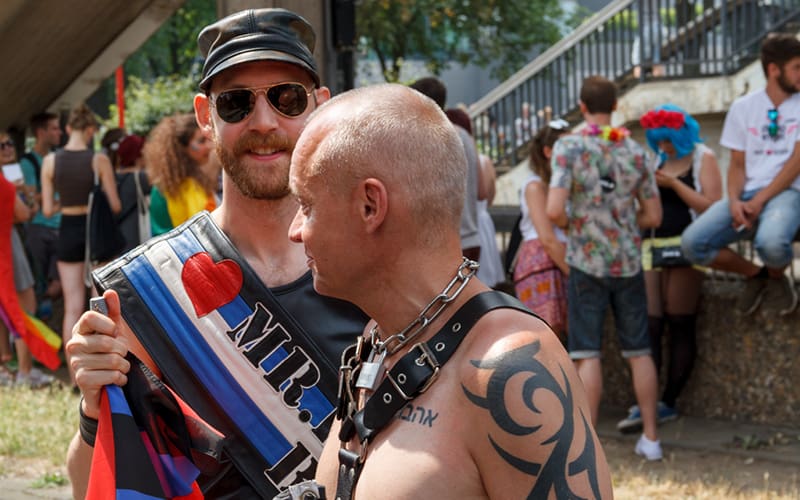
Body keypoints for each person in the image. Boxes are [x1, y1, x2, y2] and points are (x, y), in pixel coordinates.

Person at [65, 8, 367, 499]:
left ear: (319, 106)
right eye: (236, 103)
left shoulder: (371, 267)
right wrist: (93, 409)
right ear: (206, 115)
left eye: (288, 98)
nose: (263, 122)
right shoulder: (148, 294)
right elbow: (92, 487)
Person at [288, 83, 612, 499]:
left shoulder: (510, 368)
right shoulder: (379, 339)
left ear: (371, 206)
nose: (296, 230)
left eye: (307, 206)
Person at [546, 75, 664, 461]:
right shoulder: (635, 151)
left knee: (587, 353)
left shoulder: (569, 146)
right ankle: (651, 439)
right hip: (628, 261)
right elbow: (654, 216)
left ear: (582, 107)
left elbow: (553, 210)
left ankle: (588, 444)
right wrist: (623, 223)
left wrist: (577, 225)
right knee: (639, 351)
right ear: (615, 106)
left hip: (586, 261)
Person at [617, 104, 723, 433]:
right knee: (651, 323)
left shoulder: (704, 157)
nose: (664, 146)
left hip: (687, 246)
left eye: (668, 140)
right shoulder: (656, 160)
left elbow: (713, 208)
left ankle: (670, 400)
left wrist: (675, 185)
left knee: (680, 322)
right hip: (652, 246)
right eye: (658, 141)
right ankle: (648, 402)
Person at [681, 33, 800, 317]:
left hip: (789, 192)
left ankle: (775, 278)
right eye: (797, 67)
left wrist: (759, 201)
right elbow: (736, 164)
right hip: (747, 195)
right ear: (774, 69)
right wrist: (734, 200)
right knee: (693, 244)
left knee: (771, 244)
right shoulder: (743, 107)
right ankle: (760, 276)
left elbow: (796, 163)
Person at [40, 103, 121, 383]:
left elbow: (47, 210)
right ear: (90, 130)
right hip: (94, 232)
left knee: (72, 305)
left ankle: (75, 376)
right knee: (98, 301)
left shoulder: (51, 162)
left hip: (67, 230)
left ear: (67, 128)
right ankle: (102, 369)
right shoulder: (98, 160)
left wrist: (66, 200)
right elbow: (115, 205)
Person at [410, 77, 485, 262]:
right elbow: (482, 191)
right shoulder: (464, 134)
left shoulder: (426, 136)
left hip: (442, 243)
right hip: (470, 236)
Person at [0, 132, 54, 387]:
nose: (7, 148)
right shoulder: (6, 183)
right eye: (1, 146)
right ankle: (25, 370)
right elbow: (24, 214)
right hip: (7, 246)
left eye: (9, 143)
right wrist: (24, 194)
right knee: (23, 307)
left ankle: (5, 367)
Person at [514, 120, 571, 339]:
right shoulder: (535, 186)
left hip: (560, 259)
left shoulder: (562, 184)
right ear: (548, 152)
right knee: (546, 336)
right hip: (544, 263)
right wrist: (575, 274)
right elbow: (547, 238)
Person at [445, 107, 505, 287]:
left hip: (459, 234)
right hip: (476, 228)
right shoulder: (469, 142)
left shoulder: (449, 138)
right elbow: (484, 193)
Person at [19, 112, 63, 318]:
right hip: (39, 228)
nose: (59, 132)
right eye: (54, 128)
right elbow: (29, 198)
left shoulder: (59, 157)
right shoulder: (28, 162)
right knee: (40, 282)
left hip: (62, 226)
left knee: (58, 285)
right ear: (41, 132)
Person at [144, 113, 216, 236]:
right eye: (201, 141)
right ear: (182, 148)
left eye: (207, 139)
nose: (209, 146)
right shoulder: (168, 188)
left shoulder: (194, 180)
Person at [112, 134, 151, 251]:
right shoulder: (142, 178)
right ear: (138, 156)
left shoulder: (113, 176)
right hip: (135, 239)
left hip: (116, 239)